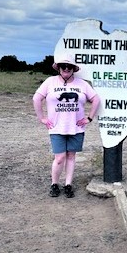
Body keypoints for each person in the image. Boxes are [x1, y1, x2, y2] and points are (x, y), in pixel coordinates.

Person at [33, 53, 100, 198]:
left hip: (76, 127)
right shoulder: (50, 82)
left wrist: (89, 118)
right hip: (56, 127)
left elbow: (95, 99)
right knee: (60, 158)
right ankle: (55, 184)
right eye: (63, 66)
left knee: (71, 156)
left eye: (69, 66)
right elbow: (36, 98)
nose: (66, 68)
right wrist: (42, 118)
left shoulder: (82, 84)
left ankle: (68, 184)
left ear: (73, 69)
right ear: (59, 68)